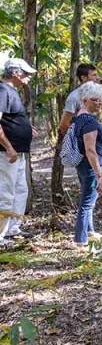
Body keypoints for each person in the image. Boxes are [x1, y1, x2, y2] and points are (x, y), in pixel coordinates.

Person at [0, 59, 37, 245]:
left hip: (18, 152)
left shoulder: (11, 92)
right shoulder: (2, 91)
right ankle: (0, 234)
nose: (29, 77)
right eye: (26, 73)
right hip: (7, 154)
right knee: (5, 192)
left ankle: (12, 228)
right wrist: (8, 147)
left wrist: (25, 127)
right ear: (15, 73)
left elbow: (9, 119)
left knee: (20, 189)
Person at [72, 82, 102, 249]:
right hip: (91, 167)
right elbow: (90, 150)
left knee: (89, 200)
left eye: (100, 99)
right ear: (85, 100)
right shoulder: (89, 121)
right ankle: (81, 241)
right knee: (87, 203)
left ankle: (89, 231)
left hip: (82, 165)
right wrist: (99, 175)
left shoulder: (78, 117)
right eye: (95, 99)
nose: (99, 103)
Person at [58, 63, 100, 135]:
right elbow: (63, 125)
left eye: (97, 75)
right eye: (94, 75)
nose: (97, 78)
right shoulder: (74, 97)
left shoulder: (93, 96)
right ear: (83, 78)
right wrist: (77, 140)